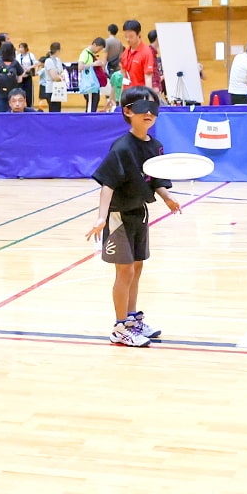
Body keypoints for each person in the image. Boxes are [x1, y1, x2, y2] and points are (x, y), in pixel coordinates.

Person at [85, 85, 181, 347]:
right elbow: (108, 183)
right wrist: (101, 217)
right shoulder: (122, 148)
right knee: (124, 271)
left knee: (137, 268)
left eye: (153, 107)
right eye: (142, 107)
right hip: (118, 215)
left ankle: (132, 318)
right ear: (128, 111)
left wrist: (167, 197)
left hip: (140, 212)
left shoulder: (156, 146)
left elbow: (155, 179)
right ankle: (119, 327)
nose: (149, 112)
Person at [0, 42, 22, 112]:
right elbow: (20, 79)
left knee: (1, 113)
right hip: (13, 93)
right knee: (13, 112)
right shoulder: (15, 63)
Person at [76, 37, 104, 112]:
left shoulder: (92, 55)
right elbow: (80, 67)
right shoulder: (85, 53)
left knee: (94, 104)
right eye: (99, 48)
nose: (99, 51)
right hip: (89, 86)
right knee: (90, 106)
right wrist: (93, 64)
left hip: (93, 85)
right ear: (95, 45)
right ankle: (88, 121)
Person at [16, 41, 37, 107]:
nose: (20, 49)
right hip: (21, 77)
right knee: (20, 93)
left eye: (22, 47)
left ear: (25, 48)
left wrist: (30, 67)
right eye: (19, 47)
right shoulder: (18, 56)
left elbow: (36, 63)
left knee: (29, 94)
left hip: (28, 76)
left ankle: (29, 106)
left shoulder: (30, 55)